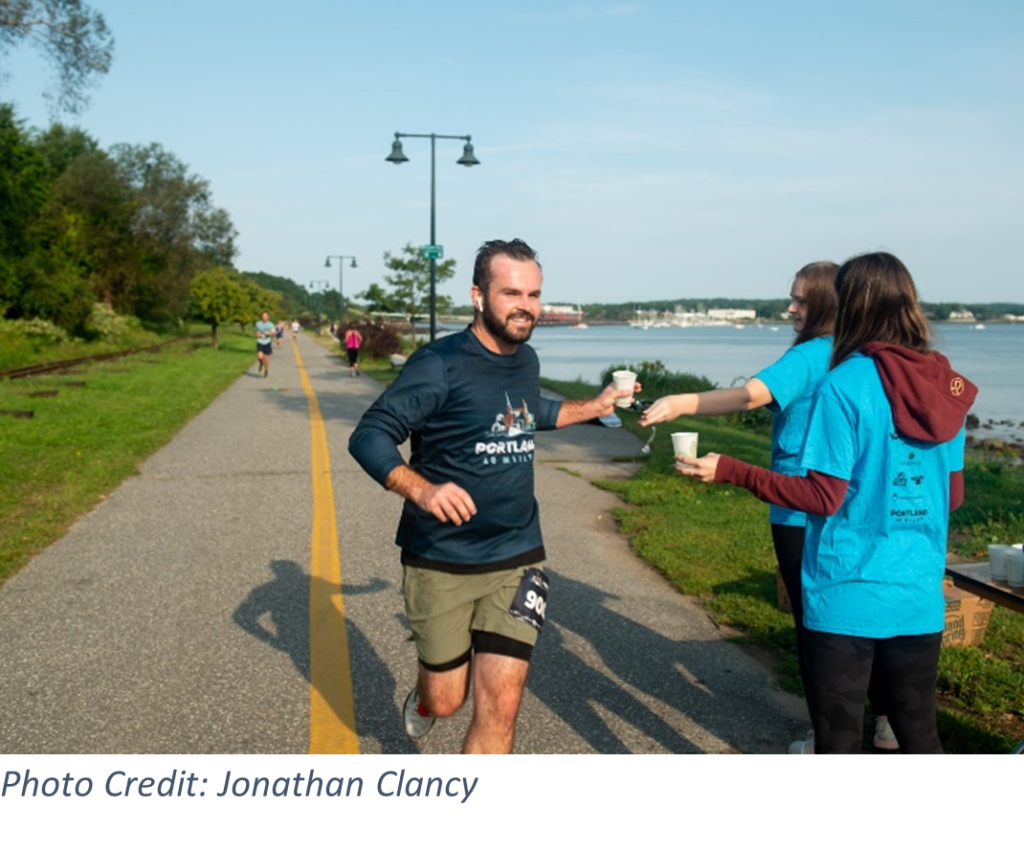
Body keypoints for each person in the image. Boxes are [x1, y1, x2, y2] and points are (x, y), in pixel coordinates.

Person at [676, 252, 976, 755]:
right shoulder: (944, 385)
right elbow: (954, 495)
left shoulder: (846, 383)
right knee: (920, 734)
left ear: (851, 305)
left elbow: (821, 496)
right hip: (917, 594)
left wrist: (732, 469)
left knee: (837, 740)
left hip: (847, 594)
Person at [349, 238, 635, 755]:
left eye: (534, 294)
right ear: (478, 296)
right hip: (441, 558)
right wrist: (420, 486)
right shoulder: (439, 363)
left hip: (517, 555)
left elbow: (530, 414)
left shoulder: (524, 360)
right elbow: (369, 434)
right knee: (446, 700)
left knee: (501, 707)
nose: (526, 305)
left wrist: (595, 405)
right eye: (511, 293)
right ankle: (425, 698)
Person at [638, 261, 860, 752]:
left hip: (796, 510)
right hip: (842, 509)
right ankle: (883, 720)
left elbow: (747, 397)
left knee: (814, 628)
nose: (791, 308)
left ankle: (828, 735)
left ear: (825, 303)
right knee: (855, 621)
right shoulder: (855, 354)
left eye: (801, 300)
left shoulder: (808, 356)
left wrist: (680, 402)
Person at [254, 311, 275, 378]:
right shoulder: (258, 324)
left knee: (266, 358)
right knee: (259, 356)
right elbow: (255, 331)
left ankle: (266, 371)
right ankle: (261, 363)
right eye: (263, 316)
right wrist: (257, 334)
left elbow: (274, 333)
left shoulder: (271, 324)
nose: (264, 317)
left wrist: (269, 333)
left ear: (268, 317)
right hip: (260, 341)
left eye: (266, 316)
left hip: (267, 342)